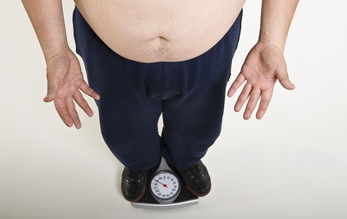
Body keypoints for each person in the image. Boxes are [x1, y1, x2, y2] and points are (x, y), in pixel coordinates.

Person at [21, 0, 299, 202]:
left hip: (209, 45)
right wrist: (56, 50)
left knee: (201, 124)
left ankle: (186, 158)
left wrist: (272, 41)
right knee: (122, 130)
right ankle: (139, 163)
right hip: (109, 48)